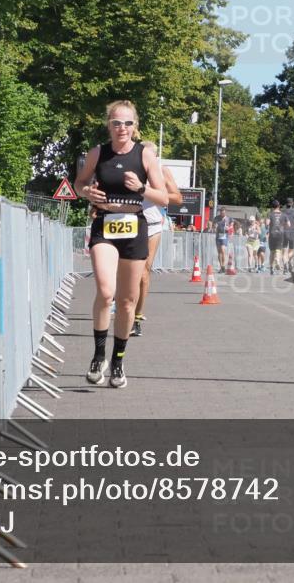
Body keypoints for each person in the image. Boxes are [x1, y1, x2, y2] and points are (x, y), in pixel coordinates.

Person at [74, 101, 168, 389]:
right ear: (109, 125)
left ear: (135, 126)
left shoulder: (145, 155)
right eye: (116, 123)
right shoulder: (98, 153)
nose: (122, 128)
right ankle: (98, 355)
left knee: (127, 302)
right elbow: (79, 184)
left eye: (127, 123)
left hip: (134, 229)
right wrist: (86, 191)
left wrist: (140, 188)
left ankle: (118, 360)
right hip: (105, 224)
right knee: (105, 292)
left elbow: (163, 198)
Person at [131, 141, 183, 337]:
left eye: (152, 157)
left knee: (144, 271)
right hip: (129, 223)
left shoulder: (162, 171)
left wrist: (152, 190)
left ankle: (137, 317)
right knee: (127, 271)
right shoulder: (131, 168)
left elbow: (178, 198)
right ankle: (122, 303)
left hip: (152, 226)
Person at [267, 199, 289, 274]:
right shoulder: (284, 215)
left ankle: (271, 268)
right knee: (278, 250)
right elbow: (289, 224)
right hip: (280, 234)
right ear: (279, 206)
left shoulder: (270, 214)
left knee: (272, 252)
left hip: (272, 234)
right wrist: (282, 225)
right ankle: (277, 261)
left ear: (272, 207)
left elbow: (267, 223)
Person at [282, 198, 294, 272]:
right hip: (293, 232)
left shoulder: (283, 212)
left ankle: (285, 265)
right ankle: (288, 261)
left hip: (284, 232)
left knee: (284, 250)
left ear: (286, 204)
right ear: (292, 204)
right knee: (291, 250)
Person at [214, 207, 231, 273]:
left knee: (223, 250)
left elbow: (231, 227)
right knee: (219, 253)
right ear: (220, 212)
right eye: (221, 212)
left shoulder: (228, 219)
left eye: (224, 212)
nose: (222, 214)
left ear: (225, 212)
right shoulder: (216, 218)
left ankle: (223, 265)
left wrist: (228, 228)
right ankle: (221, 267)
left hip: (224, 236)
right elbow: (213, 225)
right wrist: (214, 226)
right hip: (218, 236)